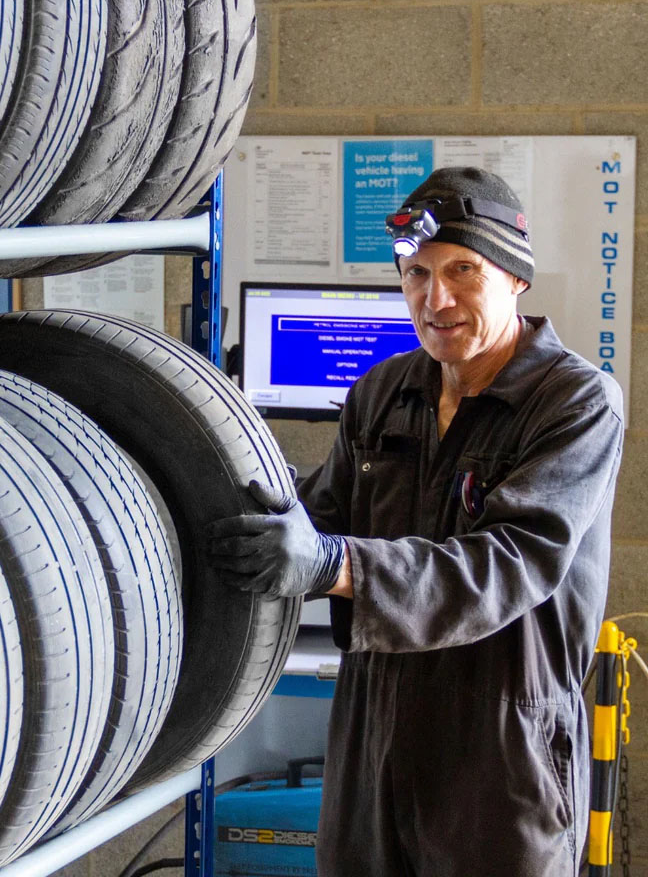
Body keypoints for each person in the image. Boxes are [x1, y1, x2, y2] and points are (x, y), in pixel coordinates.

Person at [209, 166, 624, 877]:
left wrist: (334, 564)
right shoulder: (383, 392)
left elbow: (508, 564)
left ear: (515, 278)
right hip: (373, 738)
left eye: (463, 270)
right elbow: (319, 515)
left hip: (501, 749)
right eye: (415, 273)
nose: (436, 299)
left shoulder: (575, 403)